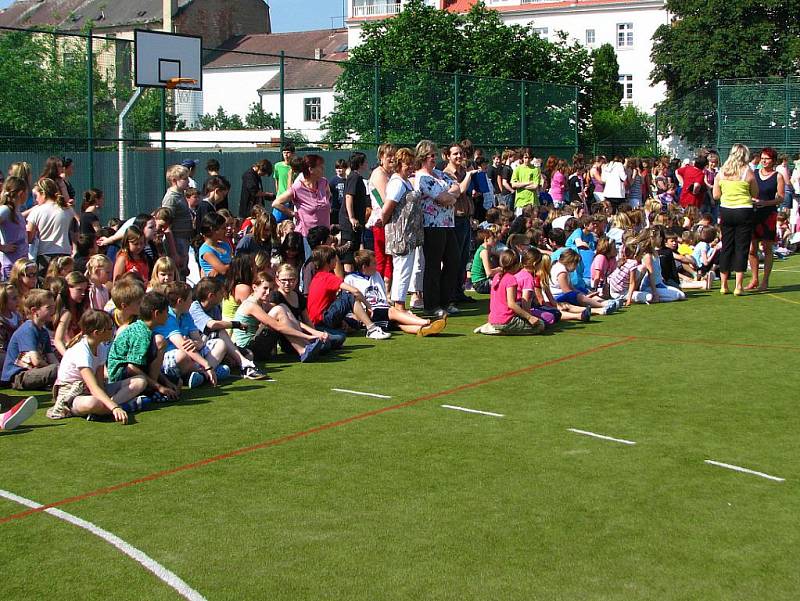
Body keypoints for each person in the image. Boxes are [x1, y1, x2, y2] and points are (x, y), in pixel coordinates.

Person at [46, 310, 152, 422]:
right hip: (72, 394)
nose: (113, 331)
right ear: (97, 333)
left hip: (91, 391)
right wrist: (114, 407)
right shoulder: (81, 351)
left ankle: (104, 411)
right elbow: (93, 387)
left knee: (140, 381)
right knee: (93, 403)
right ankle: (124, 407)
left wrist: (108, 401)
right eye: (110, 328)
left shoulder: (100, 347)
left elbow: (100, 384)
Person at [344, 250, 446, 336]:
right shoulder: (350, 279)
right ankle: (428, 322)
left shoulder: (376, 275)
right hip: (368, 313)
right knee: (393, 312)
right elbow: (349, 301)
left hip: (381, 310)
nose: (376, 266)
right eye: (374, 263)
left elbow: (382, 296)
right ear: (364, 267)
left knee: (398, 324)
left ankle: (424, 329)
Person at [233, 272, 325, 361]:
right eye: (265, 288)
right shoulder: (251, 305)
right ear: (254, 287)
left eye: (270, 289)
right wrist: (306, 336)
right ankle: (303, 350)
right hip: (248, 350)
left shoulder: (262, 304)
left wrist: (314, 332)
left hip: (257, 345)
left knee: (282, 307)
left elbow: (293, 320)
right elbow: (278, 326)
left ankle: (307, 345)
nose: (268, 292)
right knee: (278, 310)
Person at [152, 282, 229, 389]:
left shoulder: (186, 314)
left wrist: (194, 343)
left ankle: (201, 375)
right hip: (173, 358)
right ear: (180, 302)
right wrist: (207, 365)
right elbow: (183, 346)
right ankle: (207, 371)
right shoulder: (167, 317)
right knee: (181, 356)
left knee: (220, 344)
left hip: (193, 355)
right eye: (189, 299)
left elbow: (199, 341)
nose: (192, 302)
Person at [106, 290, 179, 401]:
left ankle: (150, 390)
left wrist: (166, 382)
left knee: (177, 383)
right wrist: (159, 387)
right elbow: (131, 368)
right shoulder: (141, 334)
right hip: (120, 375)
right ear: (156, 313)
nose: (168, 316)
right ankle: (151, 392)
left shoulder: (145, 328)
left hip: (136, 371)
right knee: (160, 341)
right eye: (166, 312)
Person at [414, 140, 460, 317]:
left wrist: (451, 195)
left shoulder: (440, 174)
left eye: (434, 155)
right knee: (433, 265)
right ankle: (431, 305)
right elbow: (443, 198)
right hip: (431, 225)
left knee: (453, 261)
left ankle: (446, 301)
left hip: (448, 223)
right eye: (430, 155)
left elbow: (457, 188)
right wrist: (450, 196)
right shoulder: (422, 177)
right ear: (423, 157)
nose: (434, 158)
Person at [307, 246, 390, 340]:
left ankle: (333, 333)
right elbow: (355, 291)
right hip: (322, 319)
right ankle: (372, 329)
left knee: (351, 327)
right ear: (328, 261)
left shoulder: (318, 276)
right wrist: (369, 307)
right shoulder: (327, 277)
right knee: (349, 296)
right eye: (335, 259)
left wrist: (342, 320)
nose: (337, 261)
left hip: (318, 320)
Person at [713, 144, 759, 295]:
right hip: (744, 211)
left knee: (726, 246)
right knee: (741, 248)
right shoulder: (748, 172)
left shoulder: (722, 172)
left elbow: (716, 195)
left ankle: (724, 285)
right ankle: (738, 286)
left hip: (726, 211)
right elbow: (755, 192)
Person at [382, 147, 424, 310]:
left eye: (412, 164)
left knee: (405, 269)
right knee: (402, 270)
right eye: (408, 164)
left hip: (409, 235)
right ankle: (399, 307)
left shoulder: (405, 181)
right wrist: (391, 228)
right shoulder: (397, 184)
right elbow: (387, 210)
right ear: (399, 164)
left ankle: (399, 305)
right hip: (401, 236)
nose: (411, 167)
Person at [474, 249, 544, 335]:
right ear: (517, 265)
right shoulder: (511, 279)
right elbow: (511, 304)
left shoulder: (497, 276)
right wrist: (529, 317)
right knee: (540, 325)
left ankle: (494, 326)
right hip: (507, 320)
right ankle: (498, 329)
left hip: (493, 318)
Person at [1, 289, 59, 390]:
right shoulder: (28, 329)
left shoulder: (43, 332)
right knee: (58, 369)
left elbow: (51, 357)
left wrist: (62, 367)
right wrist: (57, 369)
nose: (53, 311)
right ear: (34, 311)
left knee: (63, 367)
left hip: (33, 372)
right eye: (48, 307)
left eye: (54, 307)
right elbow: (36, 361)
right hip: (19, 376)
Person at [746, 147, 784, 291]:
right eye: (762, 158)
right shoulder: (754, 173)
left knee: (767, 248)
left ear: (773, 160)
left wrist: (764, 203)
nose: (764, 161)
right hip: (753, 213)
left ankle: (765, 281)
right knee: (752, 248)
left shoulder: (778, 176)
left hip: (768, 214)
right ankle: (754, 279)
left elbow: (780, 198)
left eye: (767, 158)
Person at [272, 154, 331, 237]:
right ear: (311, 169)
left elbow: (328, 193)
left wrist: (325, 204)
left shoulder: (323, 182)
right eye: (320, 166)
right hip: (307, 237)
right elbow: (276, 203)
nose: (323, 169)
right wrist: (292, 213)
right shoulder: (298, 188)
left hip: (324, 236)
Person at [26, 178, 76, 273]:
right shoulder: (67, 209)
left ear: (43, 194)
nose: (36, 199)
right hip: (65, 252)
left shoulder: (37, 211)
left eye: (36, 196)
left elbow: (29, 237)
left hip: (45, 254)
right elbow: (74, 229)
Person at [366, 144, 396, 289]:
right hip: (380, 221)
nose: (392, 158)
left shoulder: (391, 174)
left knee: (390, 257)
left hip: (391, 221)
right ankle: (379, 290)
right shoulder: (379, 174)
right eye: (388, 156)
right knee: (382, 258)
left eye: (393, 155)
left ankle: (387, 291)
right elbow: (386, 200)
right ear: (381, 158)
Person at [339, 152, 370, 273]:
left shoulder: (357, 177)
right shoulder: (354, 177)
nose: (367, 164)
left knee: (355, 249)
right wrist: (352, 218)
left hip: (357, 223)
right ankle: (348, 278)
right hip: (349, 223)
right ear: (360, 164)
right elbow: (349, 197)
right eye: (365, 162)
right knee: (349, 253)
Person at [161, 165, 193, 279]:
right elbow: (166, 225)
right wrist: (174, 253)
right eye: (184, 179)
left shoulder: (181, 195)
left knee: (182, 272)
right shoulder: (171, 198)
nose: (188, 181)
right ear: (174, 180)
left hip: (184, 239)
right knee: (177, 274)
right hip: (176, 240)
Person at [0, 176, 30, 279]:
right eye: (27, 192)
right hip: (10, 266)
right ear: (21, 193)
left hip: (21, 265)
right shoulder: (5, 210)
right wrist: (1, 247)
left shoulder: (16, 212)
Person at [198, 212, 233, 280]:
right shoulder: (206, 250)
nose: (226, 230)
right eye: (223, 228)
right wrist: (237, 264)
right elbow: (223, 270)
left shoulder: (224, 245)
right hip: (216, 287)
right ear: (212, 230)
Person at [510, 148, 542, 214]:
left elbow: (535, 186)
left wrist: (520, 185)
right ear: (522, 157)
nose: (527, 160)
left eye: (528, 158)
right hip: (520, 202)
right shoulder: (517, 169)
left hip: (532, 202)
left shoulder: (535, 169)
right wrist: (528, 183)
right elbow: (513, 184)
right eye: (525, 157)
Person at [328, 158, 347, 226]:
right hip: (335, 208)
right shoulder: (333, 180)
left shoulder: (348, 180)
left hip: (345, 207)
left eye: (341, 168)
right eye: (337, 168)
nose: (339, 170)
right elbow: (328, 194)